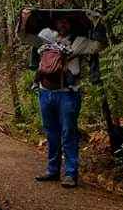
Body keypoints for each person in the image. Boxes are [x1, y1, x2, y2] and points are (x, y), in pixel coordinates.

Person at [34, 16, 100, 188]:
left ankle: (70, 173)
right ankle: (52, 170)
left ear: (72, 25)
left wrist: (98, 28)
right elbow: (30, 43)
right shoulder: (46, 38)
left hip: (68, 93)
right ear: (55, 23)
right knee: (51, 133)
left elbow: (97, 46)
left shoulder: (79, 42)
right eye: (59, 21)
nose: (62, 24)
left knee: (68, 132)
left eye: (66, 22)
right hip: (45, 91)